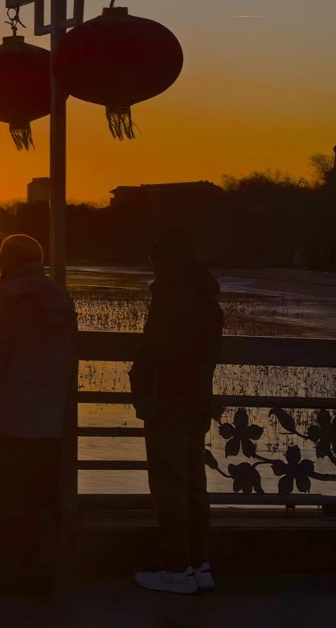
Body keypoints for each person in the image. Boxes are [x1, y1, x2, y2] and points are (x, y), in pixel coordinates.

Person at [0, 233, 77, 598]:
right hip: (49, 417)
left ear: (7, 262)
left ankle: (3, 574)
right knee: (43, 497)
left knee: (7, 496)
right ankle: (42, 575)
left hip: (10, 415)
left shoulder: (6, 297)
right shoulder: (60, 297)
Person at [130, 227, 224, 596]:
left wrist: (141, 386)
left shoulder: (170, 296)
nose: (152, 269)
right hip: (196, 399)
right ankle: (199, 564)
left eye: (153, 262)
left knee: (169, 486)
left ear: (164, 260)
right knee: (193, 485)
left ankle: (176, 568)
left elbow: (156, 351)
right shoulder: (206, 299)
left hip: (167, 402)